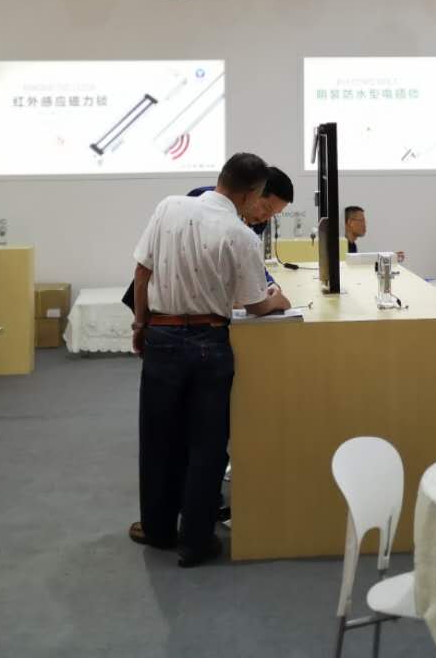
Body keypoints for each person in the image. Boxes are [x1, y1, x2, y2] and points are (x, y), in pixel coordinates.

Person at [129, 153, 290, 567]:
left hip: (161, 334)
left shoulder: (168, 206)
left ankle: (157, 529)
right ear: (252, 194)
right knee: (207, 444)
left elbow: (142, 273)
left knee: (158, 438)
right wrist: (278, 300)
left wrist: (141, 325)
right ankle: (196, 541)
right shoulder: (241, 235)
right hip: (210, 343)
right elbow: (255, 304)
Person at [120, 166, 293, 312]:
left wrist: (270, 284)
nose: (265, 217)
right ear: (253, 193)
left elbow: (247, 259)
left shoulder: (255, 221)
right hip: (171, 301)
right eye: (266, 208)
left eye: (273, 214)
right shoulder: (200, 198)